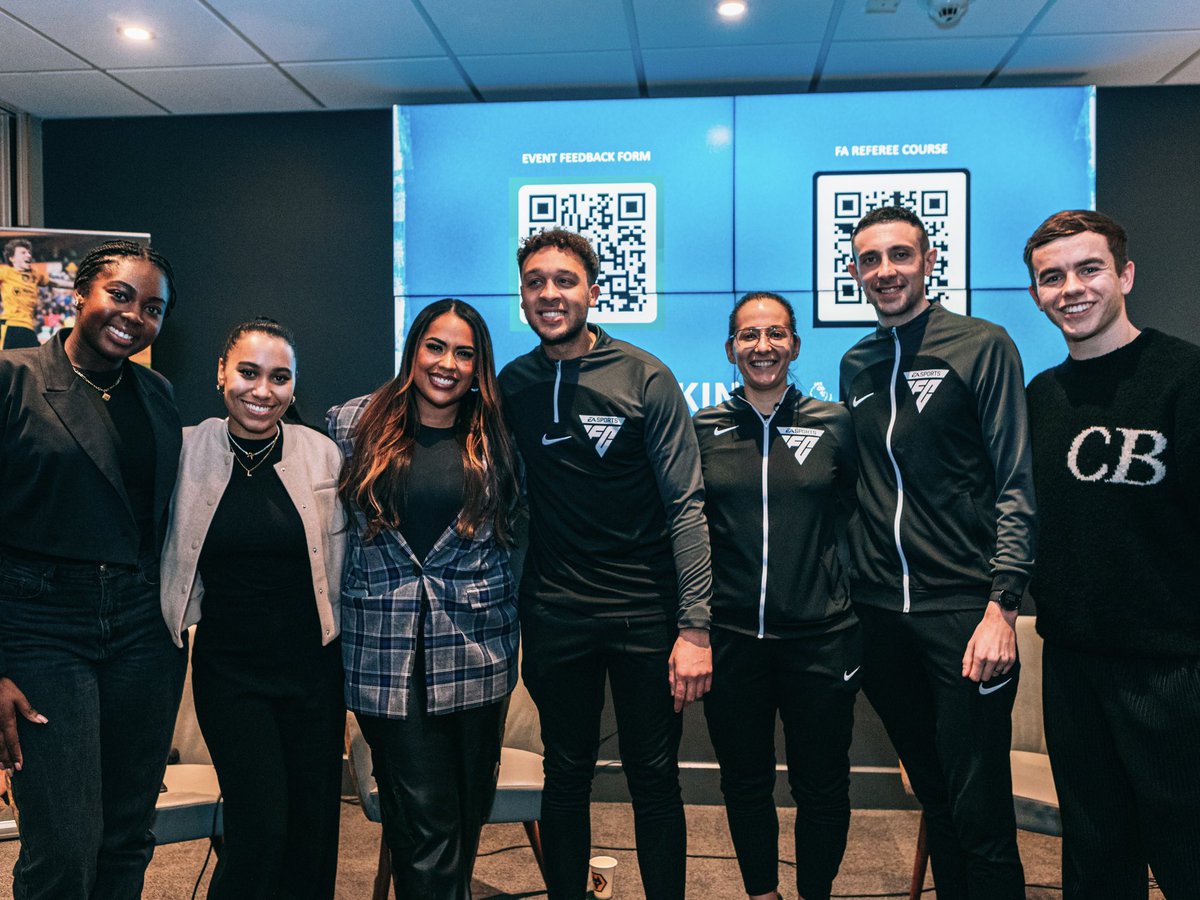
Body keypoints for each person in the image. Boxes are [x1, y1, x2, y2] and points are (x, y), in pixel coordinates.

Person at [499, 228, 713, 900]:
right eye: (536, 281)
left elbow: (686, 506)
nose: (550, 293)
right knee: (565, 773)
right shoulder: (514, 383)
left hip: (646, 615)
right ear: (524, 295)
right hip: (557, 613)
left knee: (654, 776)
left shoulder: (646, 377)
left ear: (593, 290)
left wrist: (696, 626)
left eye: (564, 280)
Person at [838, 206, 1034, 899]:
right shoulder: (856, 363)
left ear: (928, 262)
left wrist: (1002, 606)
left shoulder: (983, 345)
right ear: (856, 271)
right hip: (880, 617)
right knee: (937, 795)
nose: (884, 271)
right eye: (869, 259)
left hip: (963, 613)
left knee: (981, 809)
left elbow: (1016, 481)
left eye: (899, 255)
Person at [1023, 209, 1200, 899]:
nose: (1072, 288)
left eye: (1088, 269)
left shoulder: (1185, 378)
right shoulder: (1042, 397)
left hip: (1173, 669)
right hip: (1072, 664)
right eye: (1052, 277)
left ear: (1124, 274)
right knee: (1095, 855)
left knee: (1188, 852)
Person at [0, 240, 185, 898]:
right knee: (64, 839)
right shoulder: (13, 378)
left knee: (127, 831)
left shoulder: (155, 392)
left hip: (141, 626)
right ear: (80, 295)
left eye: (154, 308)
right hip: (41, 629)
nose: (135, 315)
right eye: (121, 295)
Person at [327, 298, 520, 899]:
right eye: (435, 346)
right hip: (386, 658)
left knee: (463, 820)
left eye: (464, 353)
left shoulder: (499, 434)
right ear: (414, 350)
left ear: (478, 365)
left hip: (477, 654)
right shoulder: (350, 423)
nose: (447, 363)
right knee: (424, 829)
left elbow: (517, 538)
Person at [160, 317, 346, 898]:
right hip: (231, 674)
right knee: (260, 826)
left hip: (314, 672)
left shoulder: (322, 453)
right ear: (221, 373)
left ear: (294, 386)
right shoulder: (184, 449)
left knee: (312, 829)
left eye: (279, 377)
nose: (262, 390)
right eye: (248, 372)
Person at [695, 291, 860, 900]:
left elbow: (857, 514)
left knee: (822, 785)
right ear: (731, 349)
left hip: (822, 638)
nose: (762, 347)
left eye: (775, 334)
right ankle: (762, 893)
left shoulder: (834, 422)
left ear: (795, 344)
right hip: (733, 640)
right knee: (744, 781)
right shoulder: (702, 429)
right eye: (748, 336)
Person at [1, 239, 50, 350]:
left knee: (38, 362)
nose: (28, 255)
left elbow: (53, 282)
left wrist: (79, 283)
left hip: (28, 327)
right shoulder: (5, 272)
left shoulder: (35, 274)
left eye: (29, 252)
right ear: (11, 258)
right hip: (11, 325)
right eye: (23, 252)